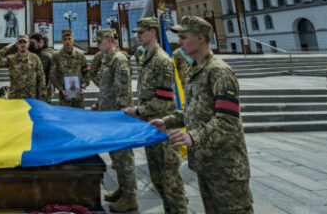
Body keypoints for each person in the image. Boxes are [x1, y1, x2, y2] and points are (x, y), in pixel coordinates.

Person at [150, 16, 253, 214]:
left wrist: (192, 136)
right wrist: (167, 121)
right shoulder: (195, 70)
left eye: (183, 37)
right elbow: (192, 109)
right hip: (206, 165)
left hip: (226, 168)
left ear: (200, 38)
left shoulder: (219, 72)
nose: (178, 43)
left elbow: (227, 121)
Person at [123, 18, 187, 213]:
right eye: (137, 32)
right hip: (151, 128)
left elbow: (165, 100)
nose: (138, 35)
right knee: (158, 180)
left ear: (153, 31)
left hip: (164, 131)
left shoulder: (161, 60)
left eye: (142, 31)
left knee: (171, 183)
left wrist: (139, 111)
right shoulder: (147, 58)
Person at [89, 29, 137, 212]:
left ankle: (130, 196)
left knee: (124, 157)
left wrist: (121, 117)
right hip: (109, 115)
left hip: (118, 117)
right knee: (116, 156)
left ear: (110, 40)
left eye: (100, 41)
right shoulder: (106, 59)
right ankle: (123, 190)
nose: (97, 44)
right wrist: (98, 104)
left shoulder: (119, 60)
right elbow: (106, 88)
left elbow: (123, 91)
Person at [0, 34, 45, 100]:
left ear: (28, 44)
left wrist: (42, 96)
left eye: (25, 42)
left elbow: (41, 77)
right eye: (20, 42)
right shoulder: (11, 59)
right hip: (15, 97)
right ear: (16, 44)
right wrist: (6, 48)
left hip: (31, 97)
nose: (23, 45)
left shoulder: (35, 58)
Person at [51, 29, 90, 107]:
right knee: (65, 116)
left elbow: (86, 73)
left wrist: (83, 87)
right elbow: (53, 74)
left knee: (79, 116)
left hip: (78, 93)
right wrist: (61, 89)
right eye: (65, 39)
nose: (67, 41)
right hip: (64, 94)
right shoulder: (56, 56)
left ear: (73, 40)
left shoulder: (80, 55)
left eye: (69, 39)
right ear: (62, 41)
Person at [29, 32, 54, 103]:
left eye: (32, 43)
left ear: (40, 42)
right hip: (45, 90)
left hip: (42, 91)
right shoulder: (47, 51)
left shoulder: (44, 55)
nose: (30, 46)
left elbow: (36, 73)